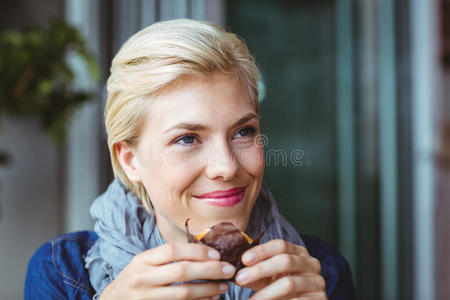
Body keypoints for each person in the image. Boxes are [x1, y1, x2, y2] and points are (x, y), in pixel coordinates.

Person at [25, 19, 357, 300]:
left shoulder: (320, 273)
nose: (226, 167)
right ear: (130, 161)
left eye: (243, 132)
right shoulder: (62, 273)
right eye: (187, 139)